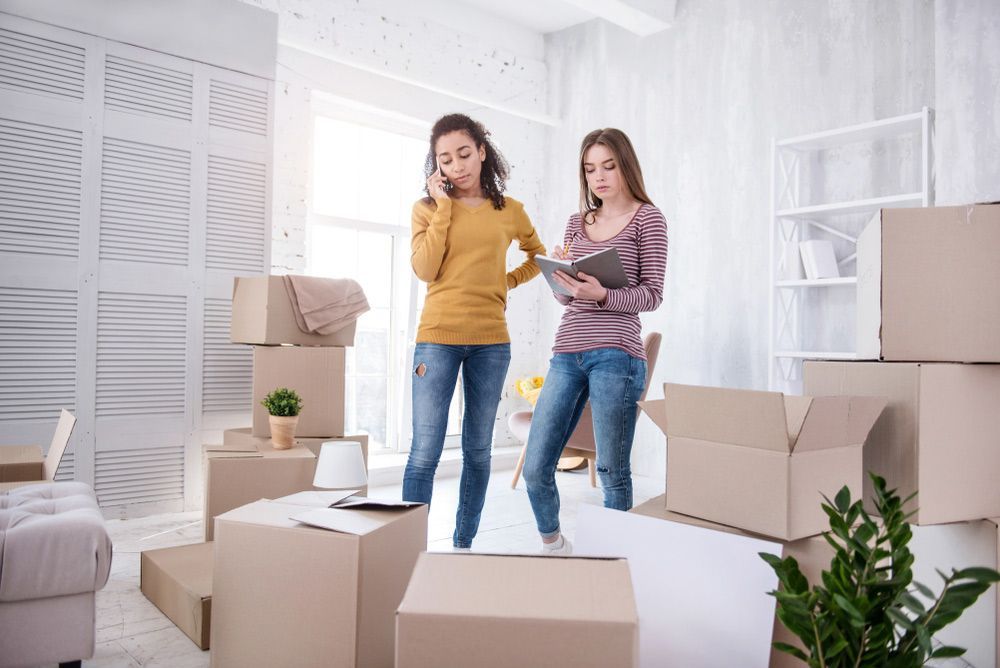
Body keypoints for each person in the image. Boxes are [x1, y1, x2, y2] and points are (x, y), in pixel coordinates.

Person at [522, 128, 668, 555]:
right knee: (535, 466)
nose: (598, 177)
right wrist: (561, 280)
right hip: (567, 351)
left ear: (626, 165)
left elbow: (652, 295)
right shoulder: (576, 222)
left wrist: (602, 294)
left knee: (611, 469)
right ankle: (554, 545)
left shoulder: (649, 218)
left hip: (617, 355)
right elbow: (566, 297)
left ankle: (615, 560)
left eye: (608, 166)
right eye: (590, 169)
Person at [404, 113, 546, 550]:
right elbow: (425, 269)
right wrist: (445, 209)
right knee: (425, 450)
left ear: (483, 152)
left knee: (478, 451)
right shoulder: (427, 209)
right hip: (437, 338)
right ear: (437, 167)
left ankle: (463, 544)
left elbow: (537, 256)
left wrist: (504, 282)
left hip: (491, 342)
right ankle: (407, 550)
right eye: (445, 160)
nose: (457, 166)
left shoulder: (510, 211)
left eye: (464, 154)